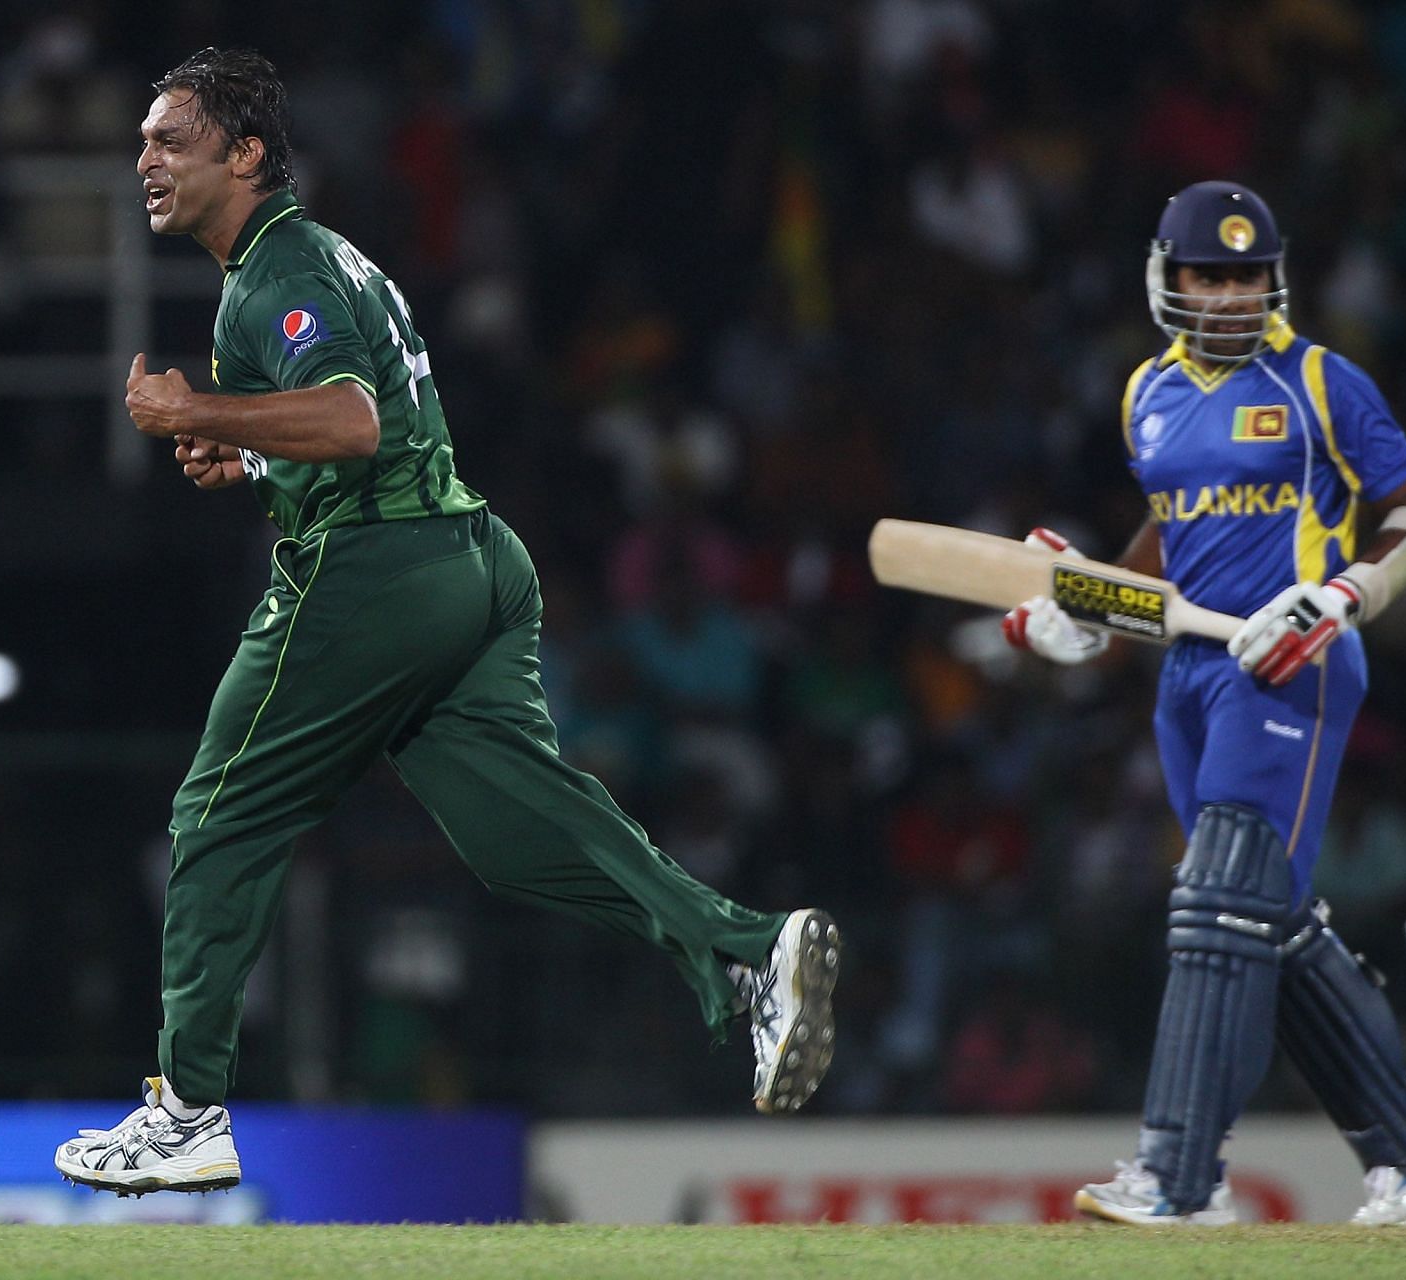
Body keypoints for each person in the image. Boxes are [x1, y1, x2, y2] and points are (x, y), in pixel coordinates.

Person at [54, 48, 840, 1195]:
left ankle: (184, 1107)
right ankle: (746, 950)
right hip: (469, 560)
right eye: (142, 141)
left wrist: (198, 406)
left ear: (248, 154)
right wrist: (252, 448)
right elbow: (353, 419)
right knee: (517, 830)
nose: (145, 161)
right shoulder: (321, 261)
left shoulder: (277, 271)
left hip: (378, 567)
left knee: (217, 813)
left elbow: (355, 419)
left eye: (171, 140)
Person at [1002, 181, 1406, 1226]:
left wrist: (1345, 592)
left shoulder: (1321, 380)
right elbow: (1169, 537)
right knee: (1266, 914)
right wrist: (1090, 613)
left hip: (1292, 663)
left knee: (1217, 903)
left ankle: (1179, 1173)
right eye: (1206, 275)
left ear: (1276, 279)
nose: (1226, 294)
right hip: (1190, 679)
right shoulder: (1146, 394)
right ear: (1167, 279)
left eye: (1245, 274)